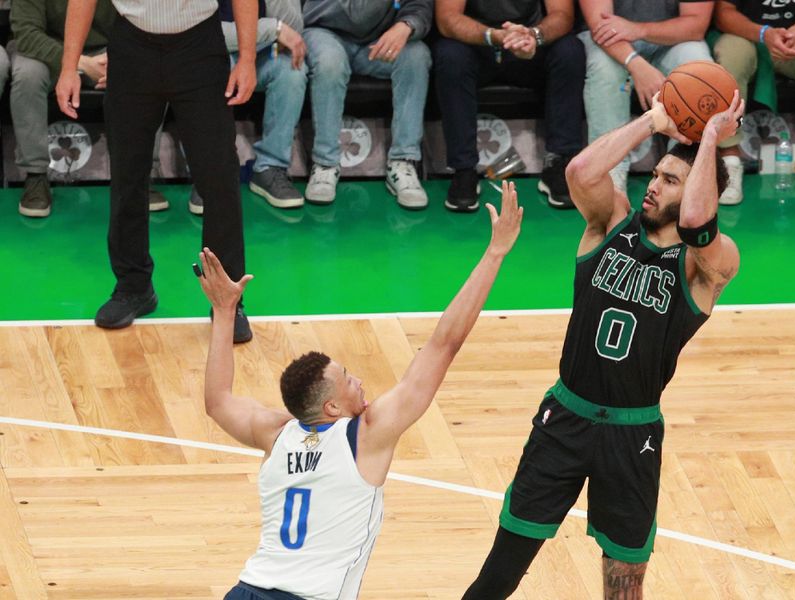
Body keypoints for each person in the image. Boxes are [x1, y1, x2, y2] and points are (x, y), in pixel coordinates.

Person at [462, 92, 742, 599]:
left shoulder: (707, 266)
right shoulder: (611, 223)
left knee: (624, 587)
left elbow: (698, 222)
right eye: (655, 174)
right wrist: (651, 121)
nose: (653, 185)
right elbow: (580, 174)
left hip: (633, 436)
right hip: (565, 419)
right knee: (497, 576)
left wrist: (708, 143)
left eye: (669, 180)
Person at [196, 181, 522, 599]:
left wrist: (224, 314)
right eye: (349, 379)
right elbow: (444, 344)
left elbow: (217, 401)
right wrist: (495, 253)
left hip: (247, 590)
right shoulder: (364, 436)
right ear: (331, 406)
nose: (360, 381)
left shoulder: (276, 435)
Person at [55, 0, 257, 343]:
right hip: (132, 46)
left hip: (199, 46)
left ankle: (227, 301)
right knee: (127, 174)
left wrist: (248, 59)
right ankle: (132, 287)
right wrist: (68, 66)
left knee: (218, 177)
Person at [435, 0, 585, 211]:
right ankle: (463, 169)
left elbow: (562, 14)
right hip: (478, 44)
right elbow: (447, 18)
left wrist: (534, 36)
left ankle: (560, 163)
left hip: (529, 45)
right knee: (449, 55)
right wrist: (492, 36)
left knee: (570, 50)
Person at [303, 0, 433, 209]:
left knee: (416, 55)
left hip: (377, 41)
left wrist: (407, 25)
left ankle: (403, 161)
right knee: (330, 63)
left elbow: (420, 6)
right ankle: (325, 163)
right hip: (324, 31)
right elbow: (355, 14)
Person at [579, 0, 714, 194]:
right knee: (605, 70)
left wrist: (638, 29)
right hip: (612, 40)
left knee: (700, 70)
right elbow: (600, 25)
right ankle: (609, 178)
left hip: (670, 40)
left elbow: (696, 24)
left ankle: (682, 174)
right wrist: (635, 64)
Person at [190, 0, 307, 212]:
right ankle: (210, 173)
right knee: (204, 70)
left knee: (292, 72)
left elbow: (294, 30)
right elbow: (199, 33)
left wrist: (276, 28)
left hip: (261, 52)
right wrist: (273, 28)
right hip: (212, 52)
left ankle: (270, 167)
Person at [9, 0, 114, 218]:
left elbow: (137, 22)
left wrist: (120, 56)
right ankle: (35, 176)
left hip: (109, 49)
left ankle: (142, 176)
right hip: (49, 49)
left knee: (143, 68)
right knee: (28, 76)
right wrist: (78, 63)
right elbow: (26, 32)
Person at [712, 0, 795, 205]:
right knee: (732, 54)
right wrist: (764, 34)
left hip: (793, 42)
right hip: (746, 37)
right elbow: (723, 14)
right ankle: (729, 160)